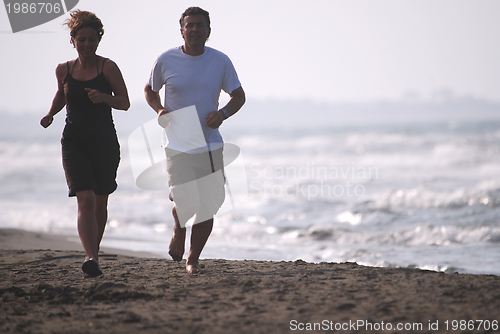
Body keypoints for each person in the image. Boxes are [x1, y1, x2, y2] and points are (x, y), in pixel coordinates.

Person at [144, 6, 245, 274]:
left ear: (208, 31)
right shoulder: (166, 60)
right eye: (190, 25)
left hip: (210, 144)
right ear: (182, 30)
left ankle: (193, 258)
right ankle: (179, 226)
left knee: (210, 205)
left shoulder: (220, 61)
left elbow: (239, 96)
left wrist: (222, 114)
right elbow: (150, 90)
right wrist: (160, 110)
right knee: (186, 200)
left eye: (200, 25)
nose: (195, 29)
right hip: (177, 143)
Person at [40, 10, 130, 278]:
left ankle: (94, 253)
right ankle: (91, 257)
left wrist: (104, 97)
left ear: (98, 41)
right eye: (82, 39)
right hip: (74, 141)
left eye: (92, 39)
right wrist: (50, 114)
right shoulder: (63, 70)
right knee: (85, 199)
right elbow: (61, 94)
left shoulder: (108, 67)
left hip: (104, 142)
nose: (87, 44)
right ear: (73, 40)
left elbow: (124, 102)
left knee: (100, 202)